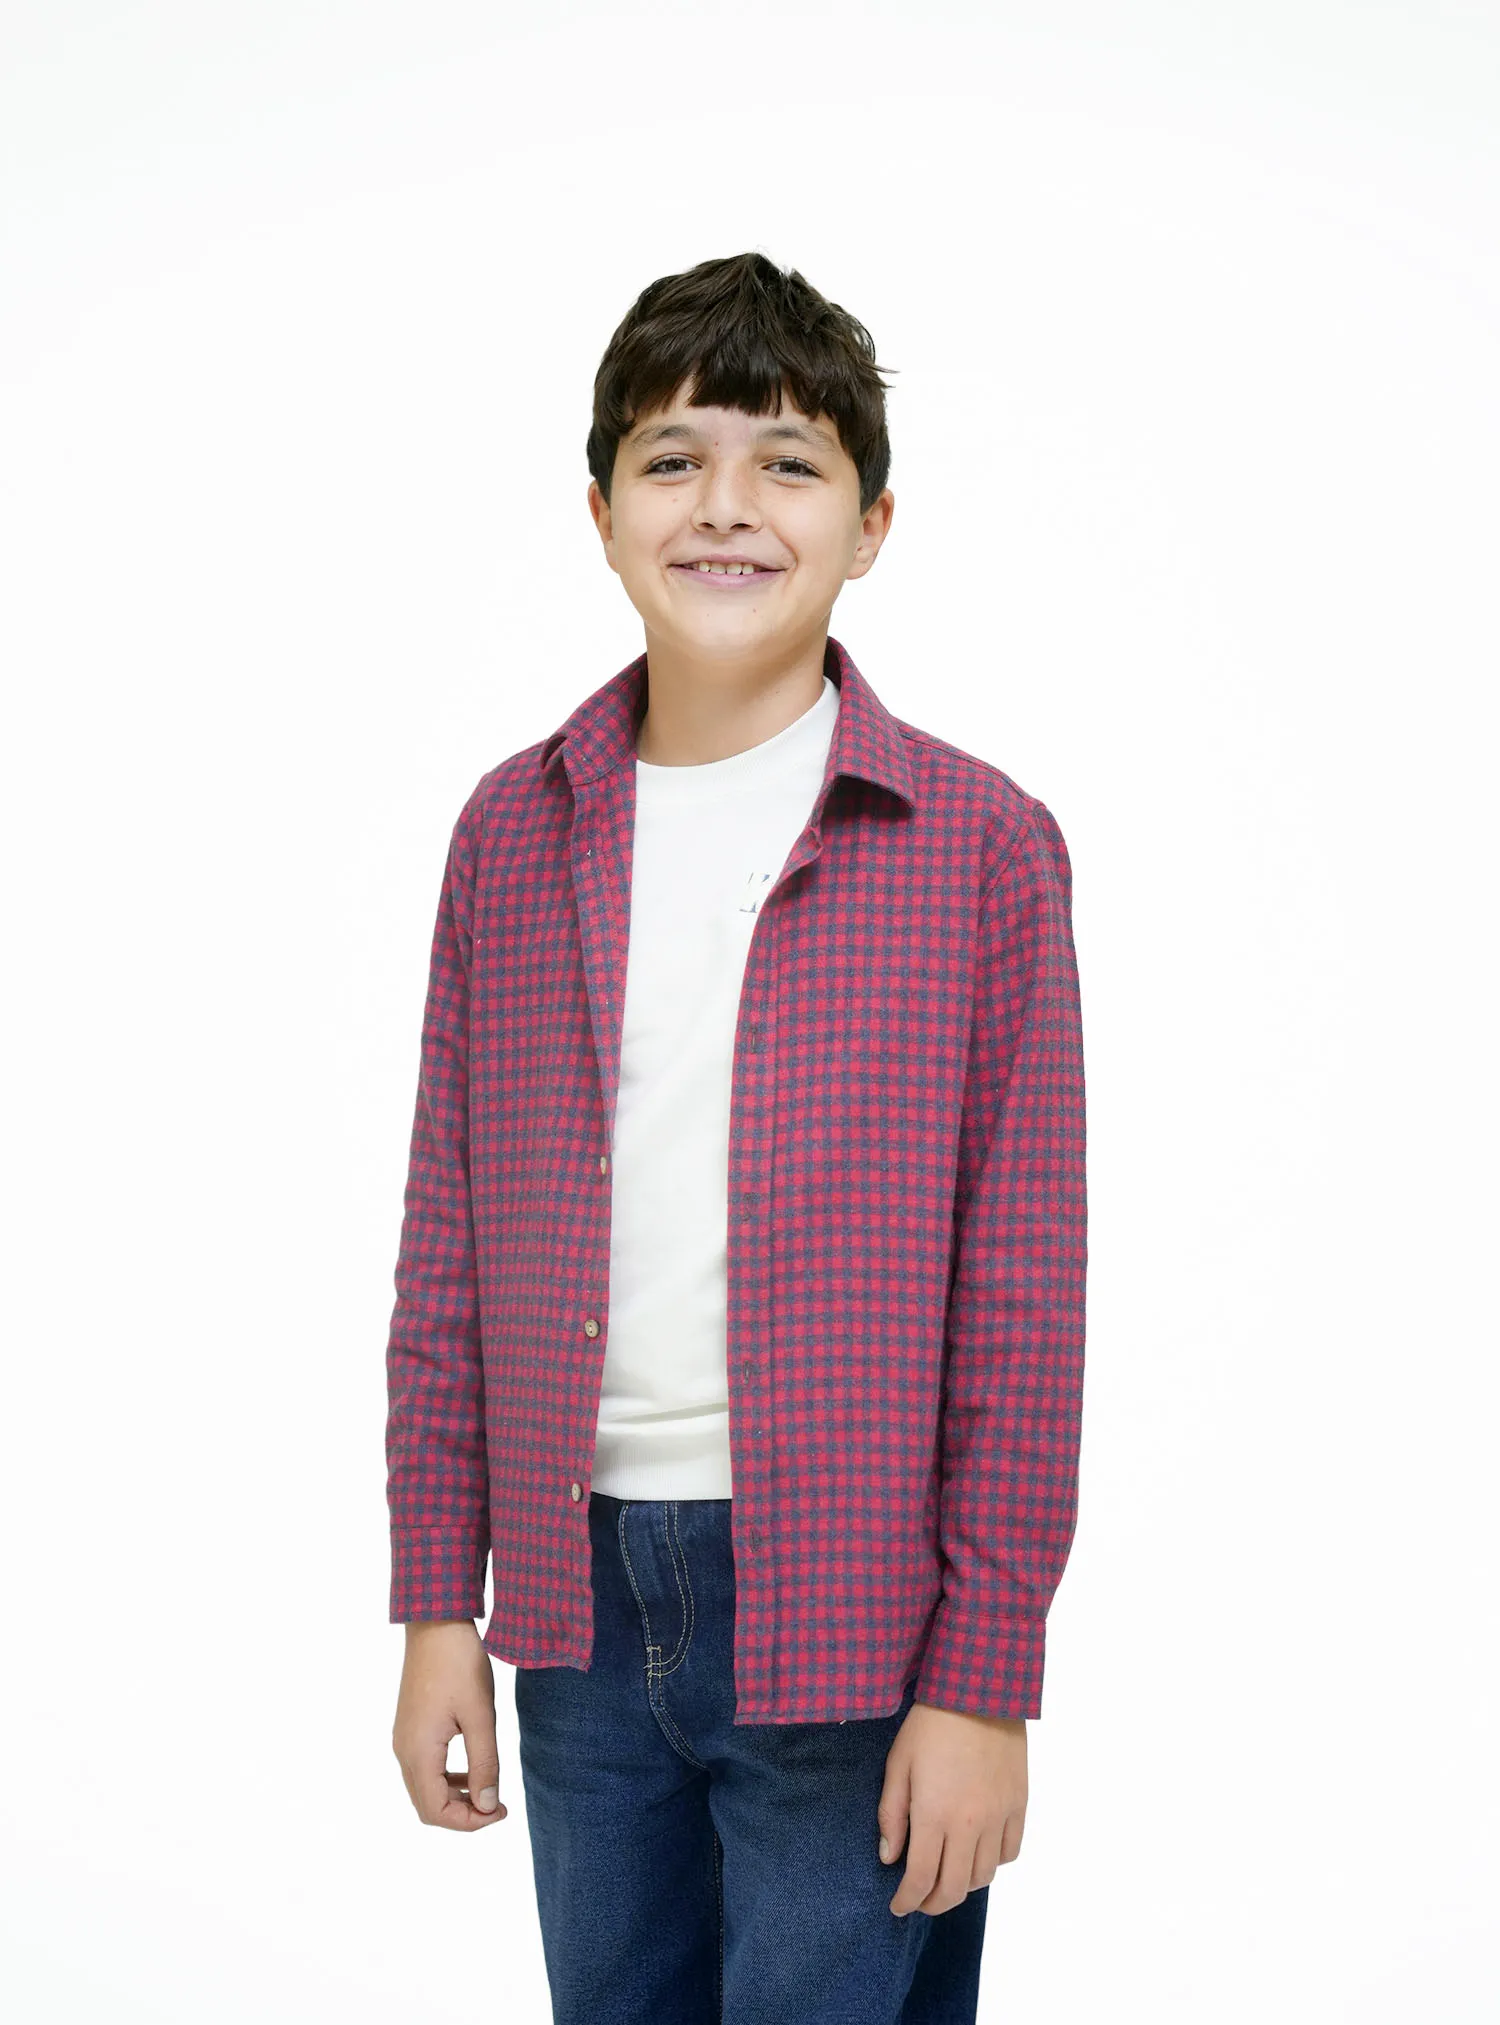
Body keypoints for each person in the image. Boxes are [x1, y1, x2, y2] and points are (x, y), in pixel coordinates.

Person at [385, 250, 1087, 2025]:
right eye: (672, 459)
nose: (725, 506)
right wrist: (436, 1603)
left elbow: (1023, 1295)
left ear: (871, 525)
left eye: (787, 463)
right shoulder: (511, 834)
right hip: (573, 1606)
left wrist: (985, 1680)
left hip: (856, 1607)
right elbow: (448, 1246)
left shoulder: (980, 848)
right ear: (602, 514)